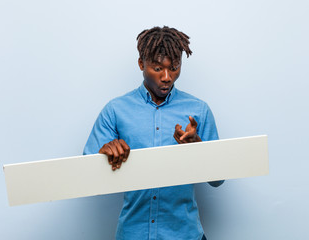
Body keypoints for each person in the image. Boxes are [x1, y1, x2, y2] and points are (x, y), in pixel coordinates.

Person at [83, 26, 224, 240]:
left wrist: (198, 148)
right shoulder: (115, 110)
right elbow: (85, 180)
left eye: (174, 68)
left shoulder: (198, 110)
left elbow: (218, 180)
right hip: (133, 234)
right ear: (142, 64)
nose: (167, 77)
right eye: (158, 69)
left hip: (185, 235)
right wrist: (103, 154)